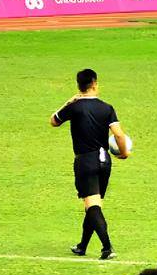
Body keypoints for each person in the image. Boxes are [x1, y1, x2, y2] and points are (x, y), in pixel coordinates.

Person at [50, 69, 129, 260]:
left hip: (85, 161)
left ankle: (107, 247)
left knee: (93, 206)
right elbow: (119, 134)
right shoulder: (107, 108)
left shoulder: (75, 107)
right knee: (93, 205)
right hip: (104, 161)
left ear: (79, 85)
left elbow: (53, 121)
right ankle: (82, 245)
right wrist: (124, 152)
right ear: (94, 84)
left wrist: (68, 102)